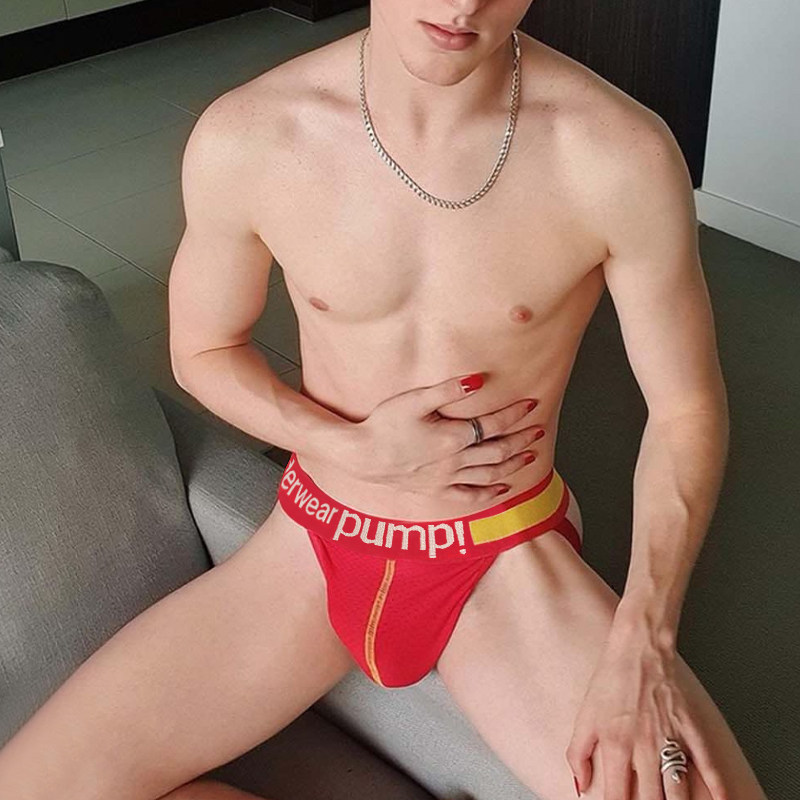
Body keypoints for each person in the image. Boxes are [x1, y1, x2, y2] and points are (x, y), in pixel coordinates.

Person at [0, 3, 770, 800]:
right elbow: (203, 351)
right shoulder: (253, 133)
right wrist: (352, 447)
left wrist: (644, 640)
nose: (463, 4)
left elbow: (685, 410)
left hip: (501, 549)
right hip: (314, 539)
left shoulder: (617, 153)